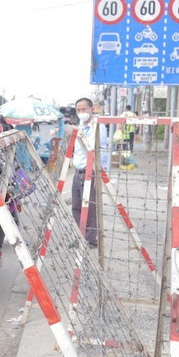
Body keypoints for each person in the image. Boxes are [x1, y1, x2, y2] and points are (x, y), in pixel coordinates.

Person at [70, 97, 108, 248]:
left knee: (90, 208)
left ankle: (91, 240)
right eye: (78, 110)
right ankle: (79, 237)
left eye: (84, 109)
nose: (81, 112)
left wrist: (98, 174)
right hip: (77, 172)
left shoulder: (97, 127)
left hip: (90, 172)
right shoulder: (79, 126)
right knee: (76, 207)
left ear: (91, 109)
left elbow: (101, 151)